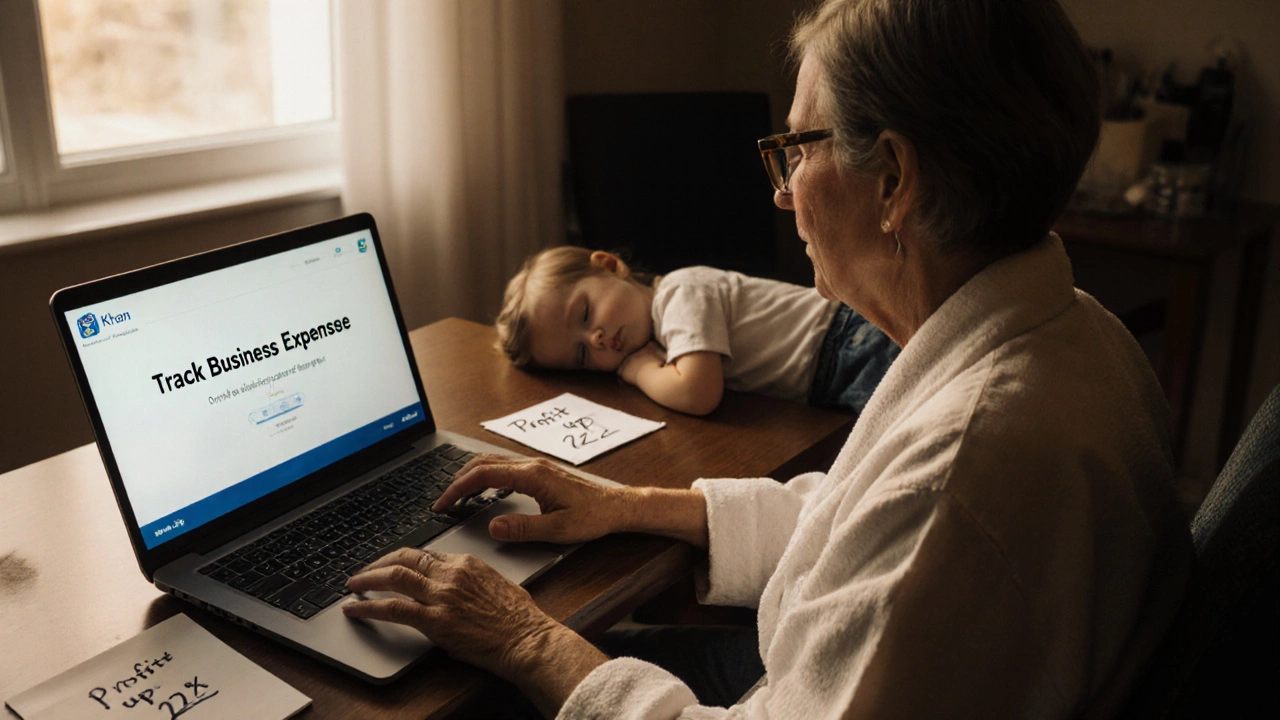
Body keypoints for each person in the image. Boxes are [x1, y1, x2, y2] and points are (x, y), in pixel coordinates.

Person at [342, 0, 1195, 717]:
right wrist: (627, 501)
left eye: (797, 148)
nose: (782, 190)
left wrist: (525, 637)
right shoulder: (1070, 329)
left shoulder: (968, 469)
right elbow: (855, 519)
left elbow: (904, 522)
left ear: (894, 181)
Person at [494, 246, 900, 416]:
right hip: (829, 376)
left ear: (609, 265)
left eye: (584, 314)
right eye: (581, 355)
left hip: (853, 343)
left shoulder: (679, 294)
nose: (596, 339)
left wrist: (638, 372)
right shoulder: (661, 332)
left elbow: (698, 393)